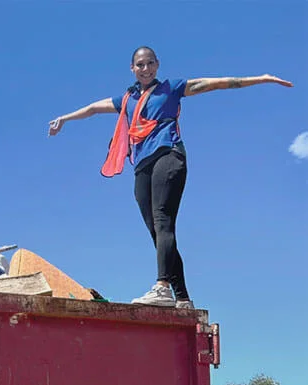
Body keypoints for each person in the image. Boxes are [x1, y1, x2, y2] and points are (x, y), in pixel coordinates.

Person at [48, 46, 293, 308]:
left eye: (150, 63)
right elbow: (94, 108)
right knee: (156, 231)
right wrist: (65, 118)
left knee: (163, 220)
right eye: (140, 64)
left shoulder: (171, 88)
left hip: (169, 155)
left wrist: (261, 78)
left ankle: (162, 287)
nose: (146, 68)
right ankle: (183, 297)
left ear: (157, 64)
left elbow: (216, 84)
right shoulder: (127, 99)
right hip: (142, 164)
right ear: (132, 68)